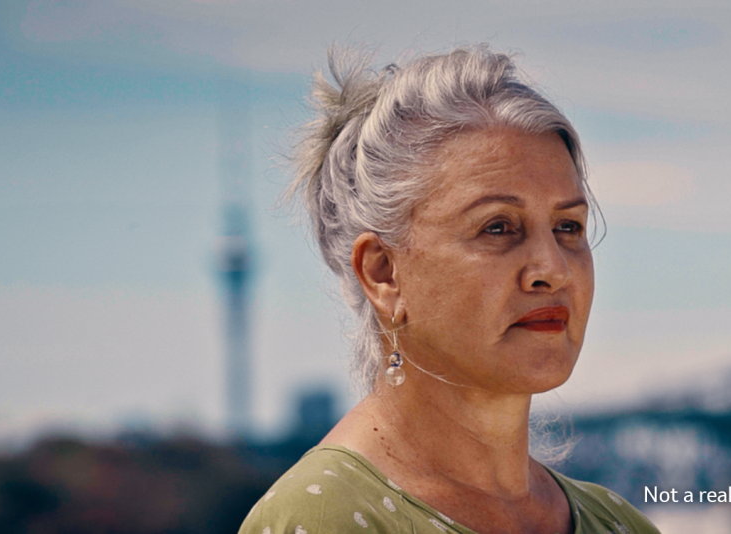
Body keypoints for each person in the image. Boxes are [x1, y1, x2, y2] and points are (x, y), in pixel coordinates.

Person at [241, 45, 658, 534]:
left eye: (568, 227)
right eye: (498, 227)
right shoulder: (321, 519)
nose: (553, 269)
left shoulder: (621, 524)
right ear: (383, 273)